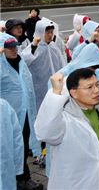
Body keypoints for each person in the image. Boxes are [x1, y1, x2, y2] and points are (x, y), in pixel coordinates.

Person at [34, 68, 99, 190]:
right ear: (73, 92)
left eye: (97, 85)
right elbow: (45, 133)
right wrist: (55, 93)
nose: (96, 90)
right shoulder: (64, 119)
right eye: (89, 87)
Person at [0, 34, 42, 190]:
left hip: (25, 114)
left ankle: (23, 176)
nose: (13, 49)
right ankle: (17, 178)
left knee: (22, 145)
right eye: (9, 47)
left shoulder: (21, 62)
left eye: (14, 46)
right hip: (6, 117)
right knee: (8, 148)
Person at [21, 19, 65, 110]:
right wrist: (34, 46)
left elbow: (62, 64)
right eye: (47, 32)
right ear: (40, 32)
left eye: (51, 32)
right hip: (39, 87)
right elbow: (25, 60)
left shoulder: (53, 46)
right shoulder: (34, 47)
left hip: (55, 85)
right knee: (41, 109)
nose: (50, 35)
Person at [0, 97, 24, 190]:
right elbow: (17, 140)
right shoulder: (4, 106)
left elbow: (17, 138)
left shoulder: (4, 106)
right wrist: (17, 167)